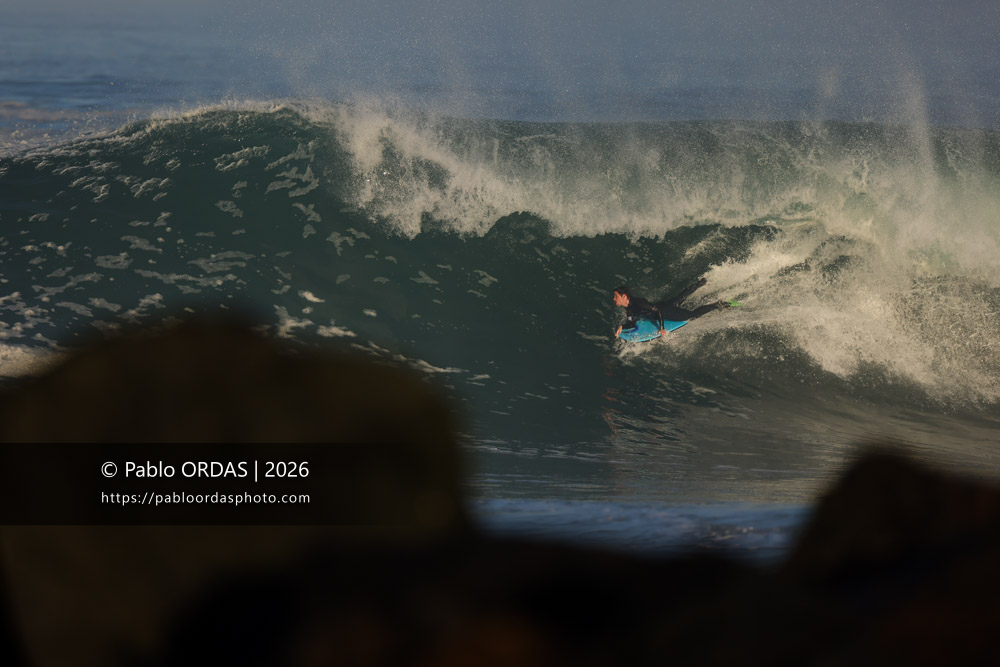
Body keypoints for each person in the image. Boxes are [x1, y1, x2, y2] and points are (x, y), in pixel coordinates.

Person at [612, 277, 729, 339]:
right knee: (679, 298)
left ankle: (717, 305)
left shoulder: (639, 303)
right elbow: (632, 322)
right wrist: (622, 326)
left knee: (692, 315)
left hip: (664, 311)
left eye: (616, 296)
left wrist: (662, 328)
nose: (614, 299)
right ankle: (701, 282)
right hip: (661, 306)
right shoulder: (629, 307)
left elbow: (657, 311)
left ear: (624, 296)